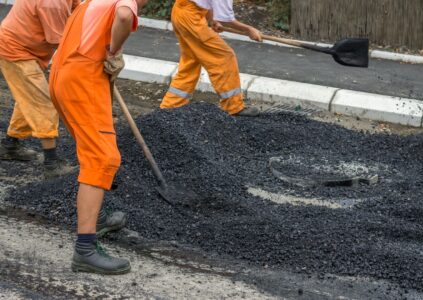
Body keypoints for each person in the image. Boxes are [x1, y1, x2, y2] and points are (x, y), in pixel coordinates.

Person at [49, 0, 147, 274]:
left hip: (62, 75)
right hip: (83, 79)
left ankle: (99, 217)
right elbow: (125, 16)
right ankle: (85, 250)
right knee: (102, 158)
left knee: (91, 149)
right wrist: (113, 51)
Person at [0, 0, 79, 178]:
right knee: (45, 103)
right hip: (15, 50)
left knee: (29, 98)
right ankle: (51, 164)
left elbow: (76, 15)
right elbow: (59, 41)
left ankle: (9, 146)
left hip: (30, 48)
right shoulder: (52, 3)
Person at [160, 0, 263, 116]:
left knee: (191, 61)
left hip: (181, 12)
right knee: (224, 57)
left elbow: (205, 3)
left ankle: (170, 106)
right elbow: (226, 19)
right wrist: (249, 30)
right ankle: (234, 106)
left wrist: (211, 20)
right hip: (191, 18)